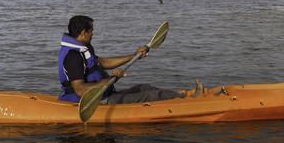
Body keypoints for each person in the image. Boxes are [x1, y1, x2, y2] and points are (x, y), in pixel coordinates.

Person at [58, 14, 201, 104]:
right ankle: (190, 102)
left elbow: (102, 62)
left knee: (144, 87)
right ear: (83, 33)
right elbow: (80, 90)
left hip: (106, 93)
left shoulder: (84, 47)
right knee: (153, 95)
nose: (93, 33)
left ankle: (180, 97)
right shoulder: (73, 56)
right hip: (95, 101)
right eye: (91, 30)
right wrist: (112, 79)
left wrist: (133, 56)